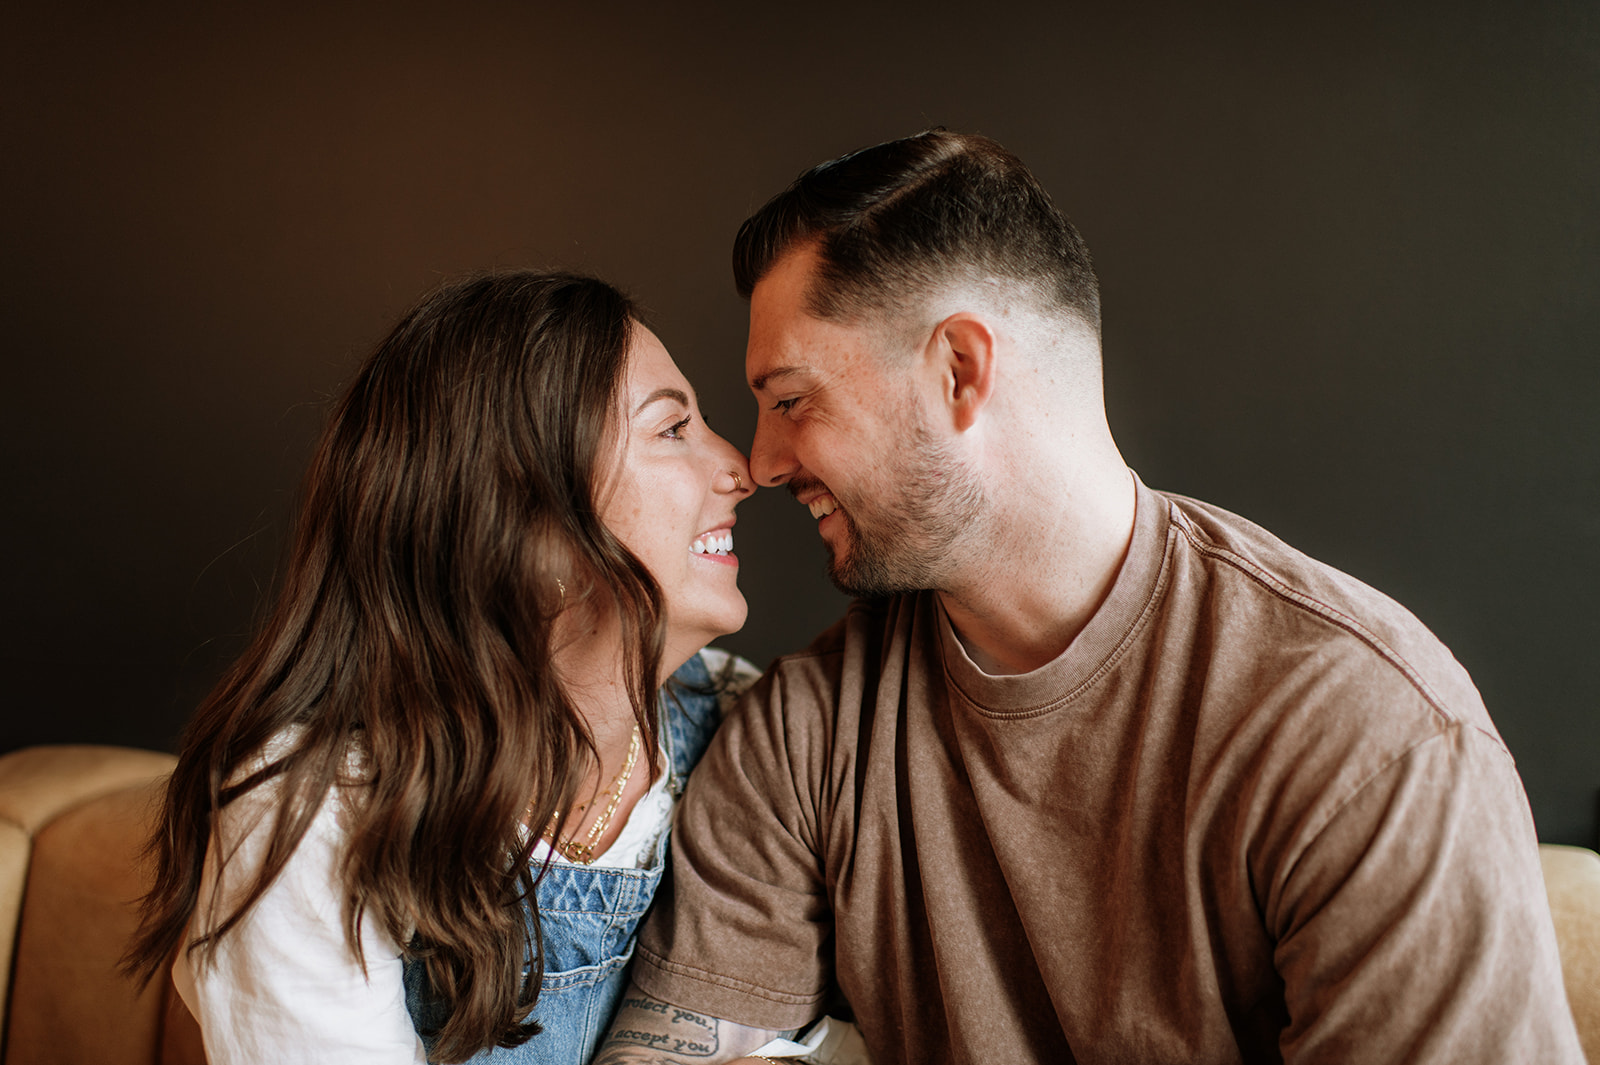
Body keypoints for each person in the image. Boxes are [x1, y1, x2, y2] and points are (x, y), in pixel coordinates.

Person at [593, 131, 1585, 1064]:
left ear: (959, 371)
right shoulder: (803, 737)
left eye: (791, 400)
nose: (762, 462)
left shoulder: (1361, 733)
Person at [122, 271, 760, 1064]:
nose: (741, 466)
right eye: (672, 430)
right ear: (531, 523)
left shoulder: (748, 725)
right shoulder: (318, 811)